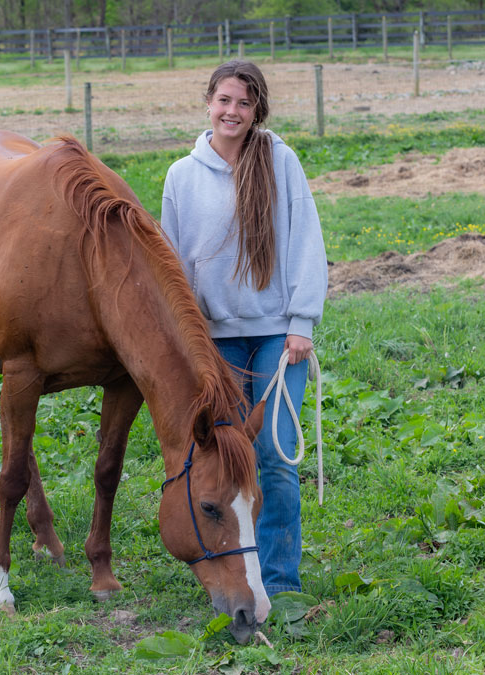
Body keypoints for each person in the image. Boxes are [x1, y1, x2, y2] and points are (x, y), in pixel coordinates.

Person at [160, 60, 328, 597]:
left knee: (276, 454)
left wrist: (301, 322)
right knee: (231, 461)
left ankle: (281, 586)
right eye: (225, 100)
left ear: (257, 111)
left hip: (279, 335)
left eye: (245, 103)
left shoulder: (280, 161)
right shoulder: (180, 176)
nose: (233, 111)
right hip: (216, 344)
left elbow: (305, 238)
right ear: (208, 102)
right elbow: (173, 267)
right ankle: (238, 573)